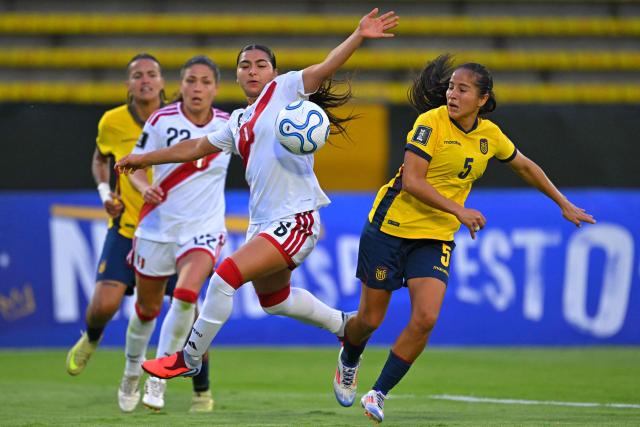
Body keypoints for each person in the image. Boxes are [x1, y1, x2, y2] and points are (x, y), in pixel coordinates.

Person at [115, 8, 400, 385]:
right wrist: (142, 158)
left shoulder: (287, 90)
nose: (252, 70)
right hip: (264, 222)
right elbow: (193, 147)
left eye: (261, 64)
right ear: (236, 75)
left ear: (274, 73)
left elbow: (326, 67)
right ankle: (344, 324)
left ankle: (188, 357)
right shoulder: (237, 122)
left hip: (295, 217)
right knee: (275, 300)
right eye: (245, 65)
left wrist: (359, 35)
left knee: (224, 277)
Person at [331, 53, 596, 423]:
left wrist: (563, 204)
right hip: (389, 229)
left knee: (426, 317)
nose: (453, 95)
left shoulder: (490, 135)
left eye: (463, 89)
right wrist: (459, 211)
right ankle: (350, 353)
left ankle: (378, 392)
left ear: (482, 99)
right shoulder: (430, 123)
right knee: (369, 321)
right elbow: (412, 181)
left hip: (433, 238)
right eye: (451, 87)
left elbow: (524, 165)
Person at [64, 53, 214, 414]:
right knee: (104, 305)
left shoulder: (182, 117)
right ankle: (91, 338)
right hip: (129, 228)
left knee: (189, 313)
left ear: (164, 83)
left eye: (152, 74)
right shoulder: (112, 122)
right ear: (129, 84)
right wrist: (105, 194)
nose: (145, 80)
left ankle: (202, 392)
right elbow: (101, 158)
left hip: (175, 232)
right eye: (137, 75)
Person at [117, 55, 231, 413]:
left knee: (185, 296)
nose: (197, 88)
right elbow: (135, 164)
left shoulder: (230, 125)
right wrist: (140, 188)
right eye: (191, 81)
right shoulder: (162, 119)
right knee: (147, 309)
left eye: (205, 82)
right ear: (179, 85)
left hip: (204, 229)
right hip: (158, 227)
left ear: (215, 88)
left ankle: (158, 377)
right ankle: (132, 371)